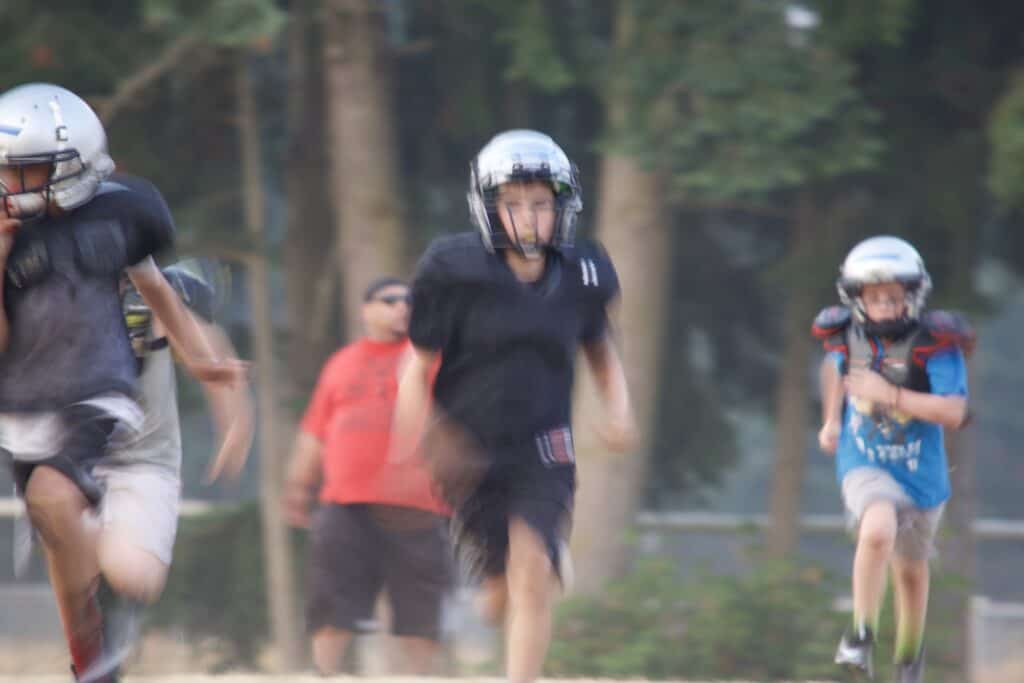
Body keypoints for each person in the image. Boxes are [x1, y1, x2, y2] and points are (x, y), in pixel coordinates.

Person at [0, 83, 250, 683]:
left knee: (124, 568)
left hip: (134, 451)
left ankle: (105, 610)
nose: (10, 187)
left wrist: (224, 396)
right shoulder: (22, 254)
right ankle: (92, 658)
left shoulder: (127, 238)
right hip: (44, 415)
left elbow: (176, 311)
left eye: (23, 172)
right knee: (59, 521)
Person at [390, 129, 638, 683]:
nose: (528, 218)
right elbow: (415, 367)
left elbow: (599, 347)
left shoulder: (585, 271)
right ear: (489, 209)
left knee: (531, 574)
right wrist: (421, 434)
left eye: (541, 204)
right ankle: (530, 567)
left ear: (562, 208)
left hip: (543, 445)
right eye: (513, 204)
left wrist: (619, 409)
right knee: (496, 599)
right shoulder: (454, 270)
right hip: (468, 451)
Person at [813, 235, 973, 683]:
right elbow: (834, 373)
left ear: (912, 297)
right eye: (875, 297)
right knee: (877, 527)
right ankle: (861, 634)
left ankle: (909, 659)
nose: (885, 305)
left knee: (911, 571)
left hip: (921, 469)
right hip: (865, 460)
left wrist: (892, 394)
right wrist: (830, 420)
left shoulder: (936, 345)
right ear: (857, 299)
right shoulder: (844, 337)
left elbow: (953, 411)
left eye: (894, 297)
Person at [284, 276, 452, 675]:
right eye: (390, 300)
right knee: (331, 595)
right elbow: (314, 432)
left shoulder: (435, 361)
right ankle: (324, 673)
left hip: (418, 506)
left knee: (420, 604)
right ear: (366, 309)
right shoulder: (341, 363)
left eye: (409, 301)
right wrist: (297, 485)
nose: (402, 307)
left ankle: (420, 677)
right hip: (344, 503)